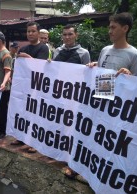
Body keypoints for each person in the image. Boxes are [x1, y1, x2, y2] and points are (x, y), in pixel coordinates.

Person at [52, 24, 91, 179]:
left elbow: (87, 76)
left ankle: (71, 157)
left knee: (73, 128)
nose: (67, 37)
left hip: (75, 97)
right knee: (58, 125)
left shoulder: (84, 53)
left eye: (70, 34)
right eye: (65, 34)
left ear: (76, 35)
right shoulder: (57, 51)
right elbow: (53, 72)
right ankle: (57, 152)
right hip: (58, 95)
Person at [11, 21, 49, 153]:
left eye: (33, 31)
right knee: (23, 113)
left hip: (37, 87)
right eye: (28, 31)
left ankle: (34, 142)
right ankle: (21, 137)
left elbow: (40, 67)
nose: (30, 33)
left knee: (35, 115)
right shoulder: (23, 49)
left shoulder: (43, 48)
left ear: (38, 33)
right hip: (24, 87)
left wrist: (26, 58)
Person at [87, 12, 137, 76]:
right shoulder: (104, 50)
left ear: (125, 28)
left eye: (113, 27)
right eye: (109, 28)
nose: (110, 31)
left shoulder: (135, 55)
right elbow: (98, 75)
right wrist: (93, 67)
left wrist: (129, 76)